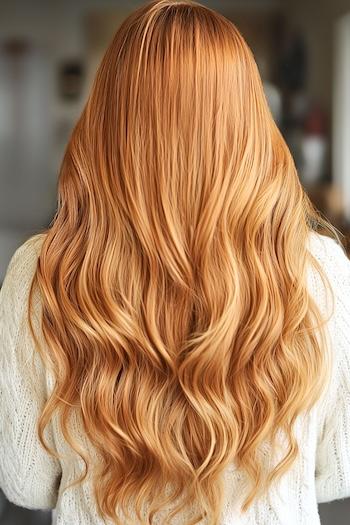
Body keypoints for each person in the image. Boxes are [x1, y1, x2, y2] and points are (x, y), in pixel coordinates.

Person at [1, 1, 350, 524]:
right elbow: (337, 472)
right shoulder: (319, 269)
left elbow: (26, 483)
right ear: (251, 123)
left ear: (108, 121)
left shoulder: (42, 271)